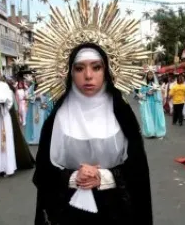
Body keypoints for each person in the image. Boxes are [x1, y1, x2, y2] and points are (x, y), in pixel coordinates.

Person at [33, 43, 152, 224]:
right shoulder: (58, 116)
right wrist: (74, 177)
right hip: (68, 211)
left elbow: (138, 169)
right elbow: (43, 172)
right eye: (79, 68)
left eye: (96, 67)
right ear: (70, 72)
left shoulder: (122, 113)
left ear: (106, 70)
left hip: (115, 210)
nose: (88, 76)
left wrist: (104, 177)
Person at [138, 70, 166, 138]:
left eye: (151, 74)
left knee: (155, 117)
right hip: (147, 102)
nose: (150, 76)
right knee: (148, 117)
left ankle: (157, 131)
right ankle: (150, 132)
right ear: (147, 75)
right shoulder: (143, 84)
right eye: (149, 74)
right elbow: (140, 93)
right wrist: (146, 93)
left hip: (154, 102)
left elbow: (160, 93)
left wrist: (155, 91)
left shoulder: (155, 84)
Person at [25, 78, 52, 144]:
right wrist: (34, 97)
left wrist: (41, 98)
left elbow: (49, 99)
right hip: (34, 107)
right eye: (37, 78)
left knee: (42, 123)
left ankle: (42, 139)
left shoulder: (46, 87)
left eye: (40, 77)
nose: (39, 79)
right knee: (34, 123)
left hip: (42, 108)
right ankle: (34, 139)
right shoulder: (32, 87)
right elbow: (27, 96)